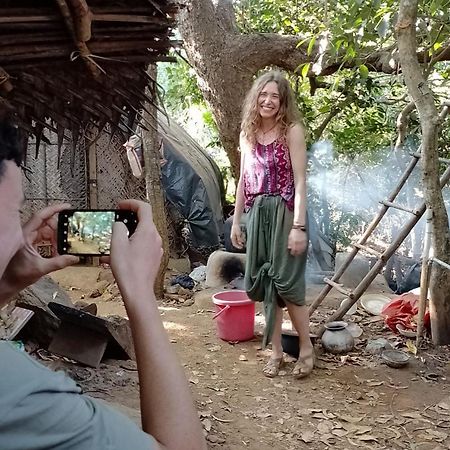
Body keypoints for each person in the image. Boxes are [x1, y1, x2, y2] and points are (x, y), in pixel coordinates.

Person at [0, 120, 207, 450]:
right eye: (14, 212)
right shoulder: (20, 391)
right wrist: (140, 293)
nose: (20, 228)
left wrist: (7, 283)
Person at [230, 70, 314, 379]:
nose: (268, 101)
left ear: (283, 102)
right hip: (257, 212)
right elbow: (242, 181)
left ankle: (306, 348)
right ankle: (276, 351)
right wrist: (237, 221)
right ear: (256, 98)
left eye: (275, 96)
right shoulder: (247, 133)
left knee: (288, 284)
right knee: (266, 284)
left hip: (285, 210)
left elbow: (301, 180)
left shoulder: (291, 131)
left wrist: (299, 227)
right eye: (263, 95)